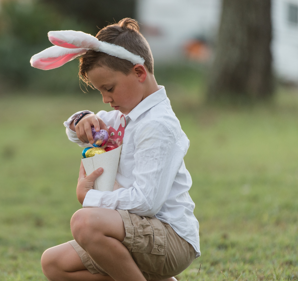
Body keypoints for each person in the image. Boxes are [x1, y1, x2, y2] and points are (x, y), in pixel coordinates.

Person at [32, 18, 200, 281]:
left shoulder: (158, 125)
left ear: (139, 73)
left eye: (109, 89)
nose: (105, 100)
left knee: (84, 222)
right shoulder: (126, 115)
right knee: (53, 263)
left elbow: (146, 202)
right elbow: (77, 132)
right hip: (136, 233)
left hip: (171, 239)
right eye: (100, 91)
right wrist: (82, 119)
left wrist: (90, 198)